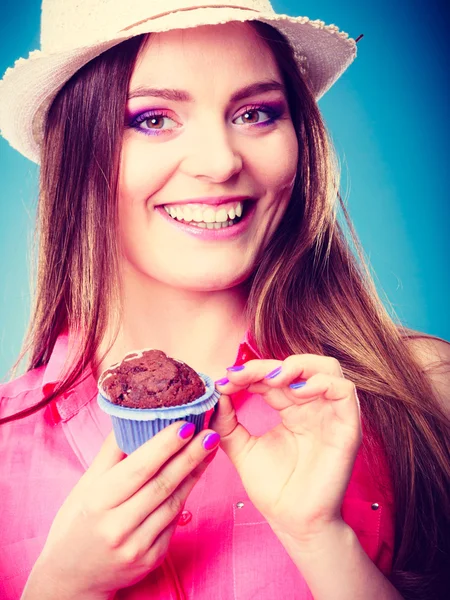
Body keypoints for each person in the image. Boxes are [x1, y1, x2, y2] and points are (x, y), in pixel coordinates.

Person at [0, 1, 449, 599]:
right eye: (153, 118)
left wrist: (323, 540)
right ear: (77, 151)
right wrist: (62, 589)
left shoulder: (425, 392)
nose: (220, 162)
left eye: (257, 112)